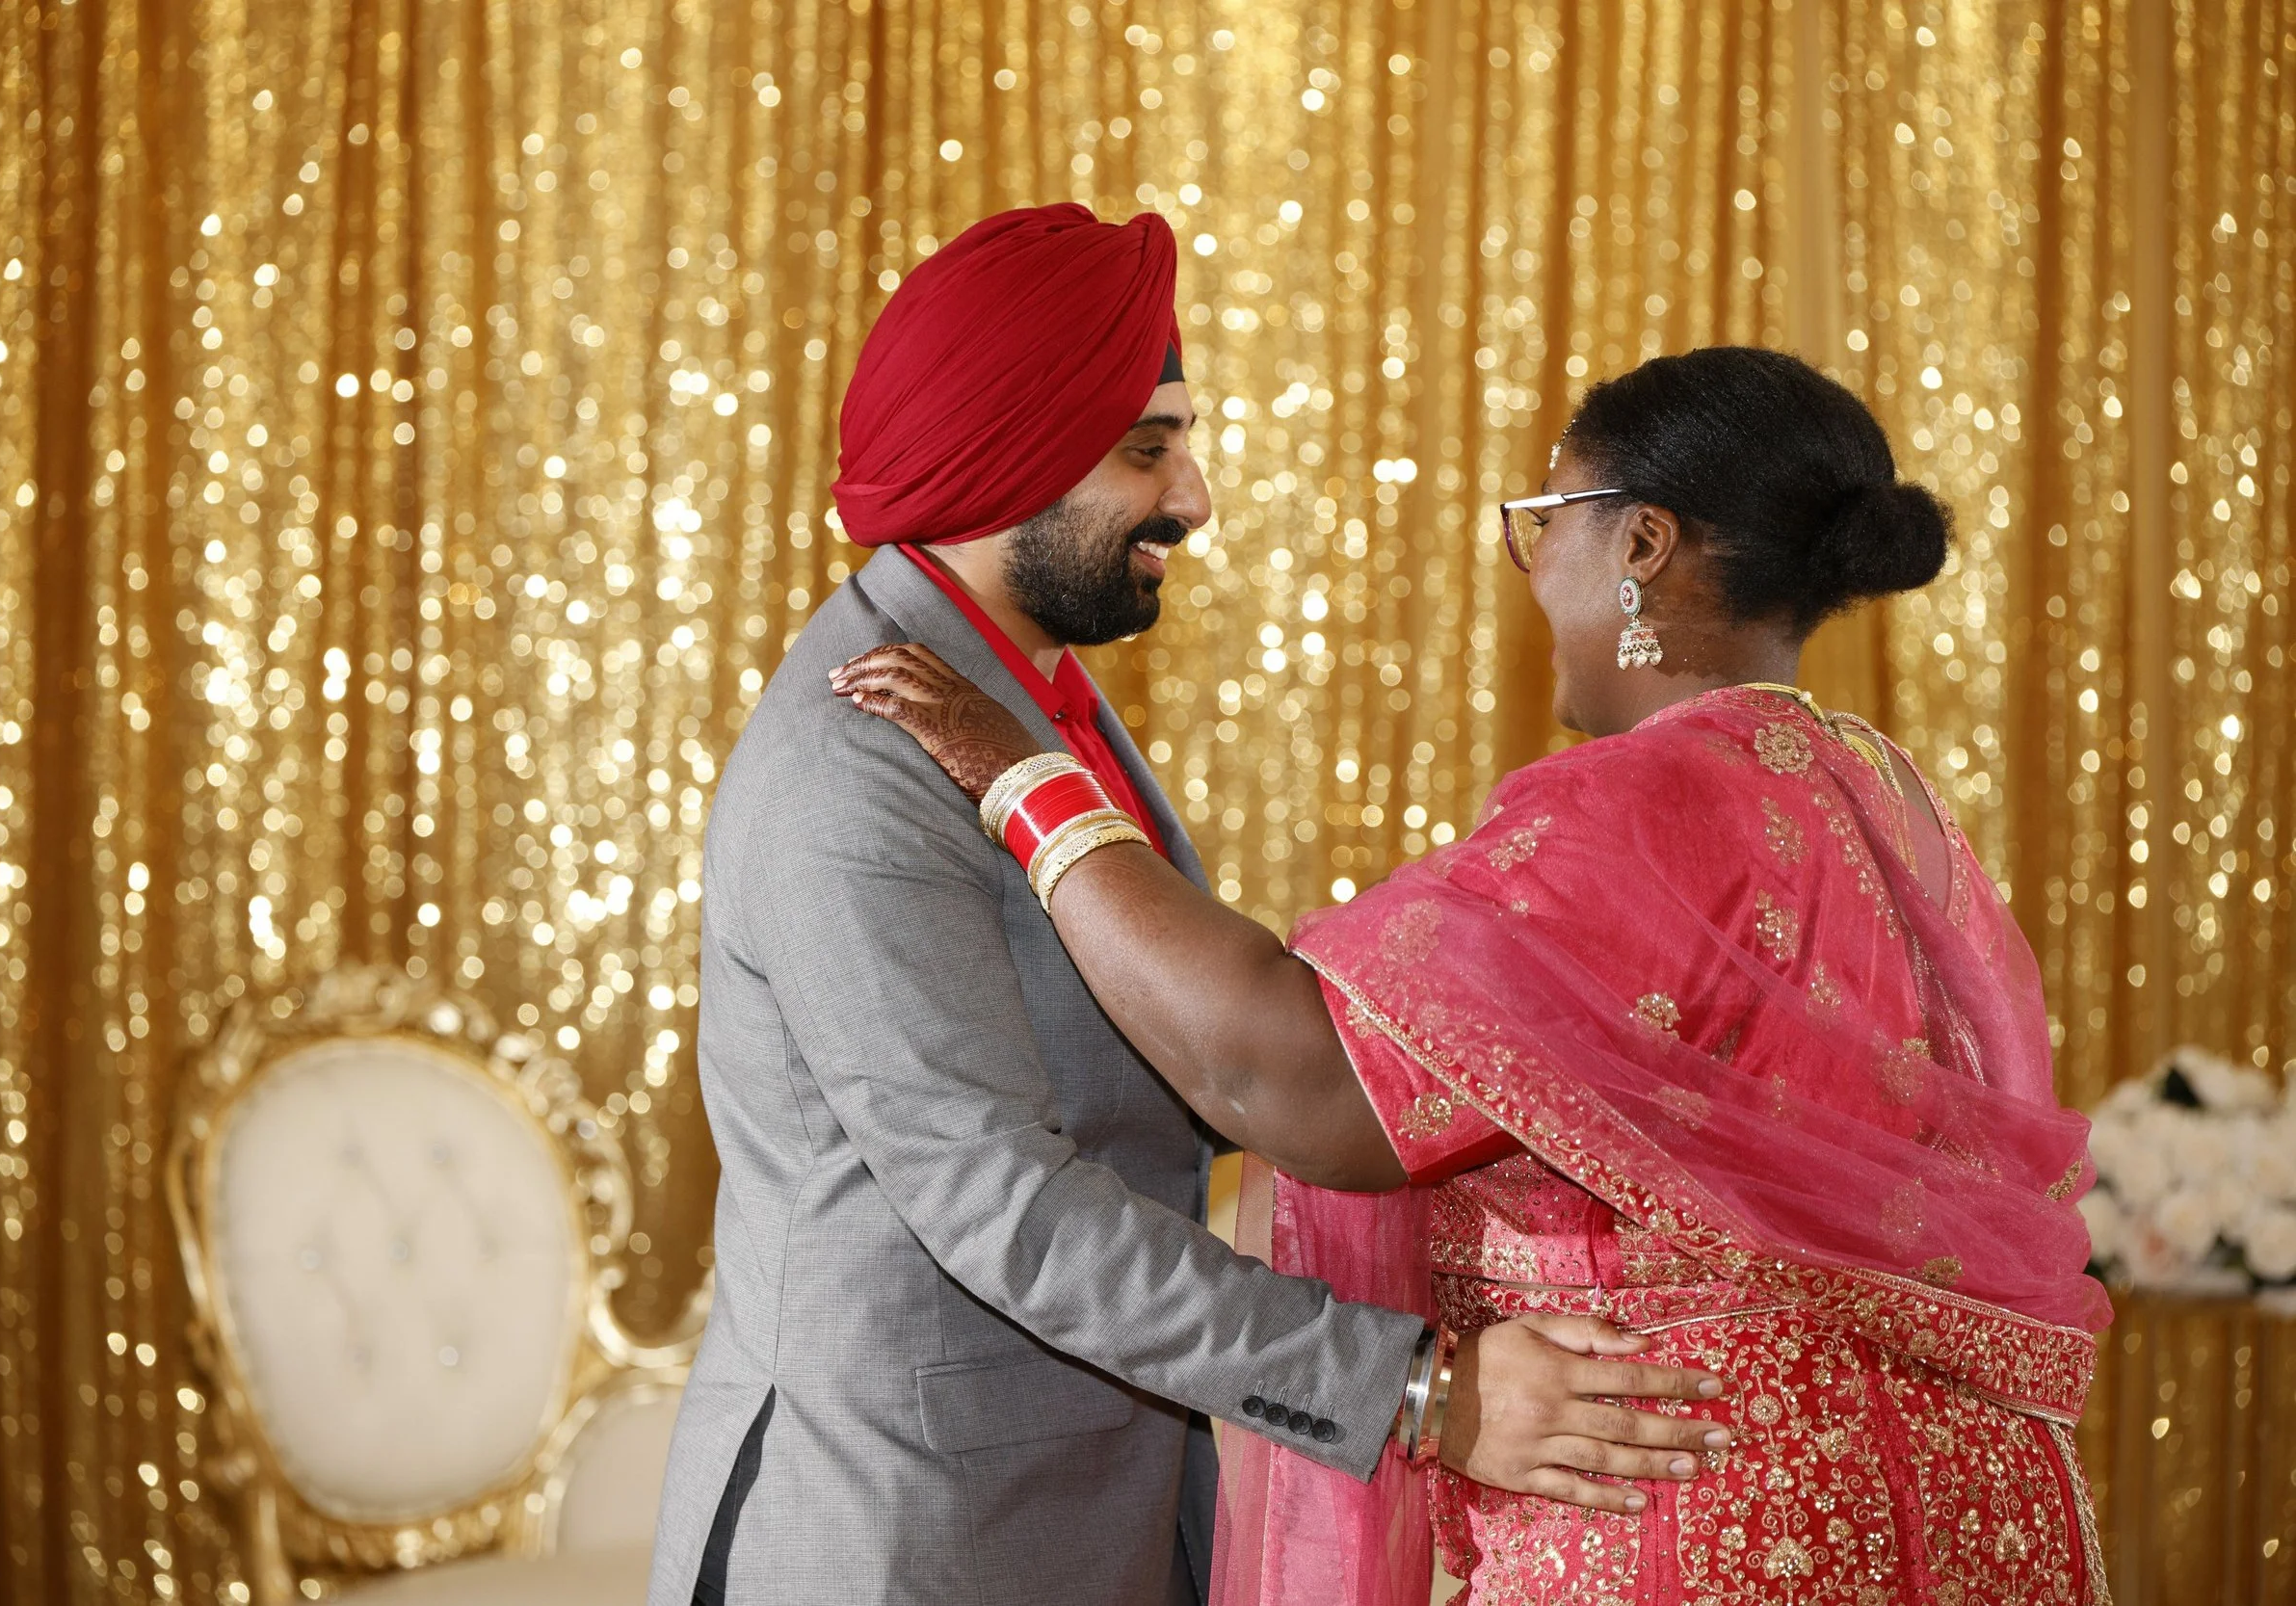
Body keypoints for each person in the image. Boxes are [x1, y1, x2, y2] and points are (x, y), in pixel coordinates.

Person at [836, 345, 2114, 1606]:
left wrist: (1029, 787)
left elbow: (1286, 1070)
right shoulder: (1885, 804)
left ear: (1642, 546)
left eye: (1540, 520)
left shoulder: (1653, 800)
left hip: (1707, 1515)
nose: (1527, 567)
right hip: (1978, 1518)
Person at [648, 204, 1720, 1606]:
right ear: (1008, 454)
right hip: (897, 1533)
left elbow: (1169, 1058)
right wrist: (1419, 1390)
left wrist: (1502, 1058)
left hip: (1087, 1505)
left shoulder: (1028, 695)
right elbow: (1006, 1207)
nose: (1196, 497)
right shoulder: (860, 753)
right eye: (1149, 448)